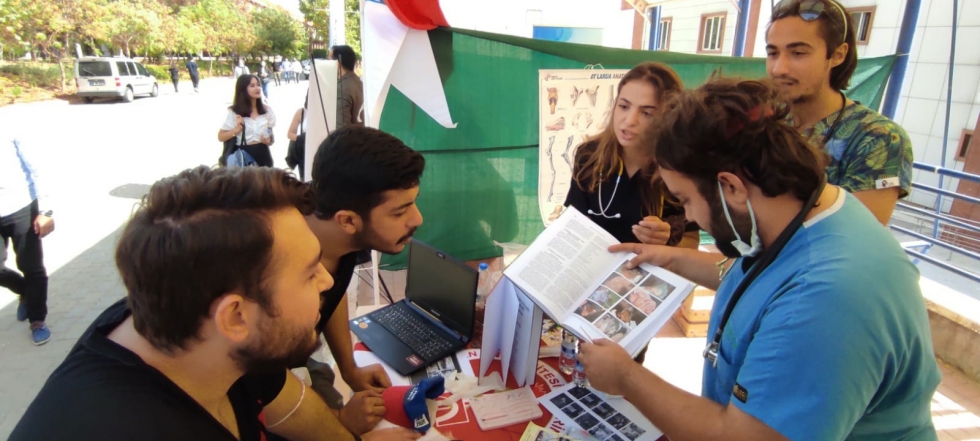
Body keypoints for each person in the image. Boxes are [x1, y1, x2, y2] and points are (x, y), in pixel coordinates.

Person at [579, 78, 940, 441]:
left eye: (685, 199)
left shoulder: (823, 298)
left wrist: (627, 377)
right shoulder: (808, 213)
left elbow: (747, 435)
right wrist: (668, 258)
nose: (688, 217)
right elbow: (758, 277)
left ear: (732, 187)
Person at [9, 166, 421, 441]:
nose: (326, 281)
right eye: (308, 271)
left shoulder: (194, 329)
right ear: (235, 316)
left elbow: (282, 398)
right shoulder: (126, 426)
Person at [303, 126, 425, 435]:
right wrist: (339, 424)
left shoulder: (339, 235)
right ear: (347, 220)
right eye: (399, 212)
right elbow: (264, 383)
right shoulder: (281, 270)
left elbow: (334, 294)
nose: (417, 219)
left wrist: (349, 368)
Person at [766, 0, 913, 225]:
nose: (779, 69)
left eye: (798, 53)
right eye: (773, 53)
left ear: (838, 55)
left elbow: (856, 237)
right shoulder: (766, 121)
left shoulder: (877, 138)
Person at [563, 62, 699, 248]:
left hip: (648, 265)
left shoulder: (679, 167)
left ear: (669, 117)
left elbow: (691, 242)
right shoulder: (588, 156)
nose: (629, 121)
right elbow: (572, 225)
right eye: (624, 106)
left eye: (647, 113)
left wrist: (669, 240)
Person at [0, 132, 54, 345]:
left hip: (21, 206)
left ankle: (37, 320)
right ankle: (25, 291)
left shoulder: (10, 126)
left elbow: (37, 168)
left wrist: (46, 210)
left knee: (31, 266)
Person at [218, 75, 276, 167]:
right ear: (243, 89)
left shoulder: (267, 110)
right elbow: (221, 137)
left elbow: (270, 135)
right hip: (242, 157)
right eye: (252, 86)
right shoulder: (235, 112)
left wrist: (268, 140)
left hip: (263, 154)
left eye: (258, 85)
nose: (257, 88)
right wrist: (236, 130)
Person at [330, 45, 364, 128]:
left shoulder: (341, 89)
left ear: (337, 64)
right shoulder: (361, 83)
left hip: (350, 135)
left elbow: (341, 128)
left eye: (329, 61)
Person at [285, 96, 309, 180]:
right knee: (304, 180)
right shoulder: (302, 112)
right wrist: (302, 139)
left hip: (320, 151)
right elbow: (290, 133)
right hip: (304, 153)